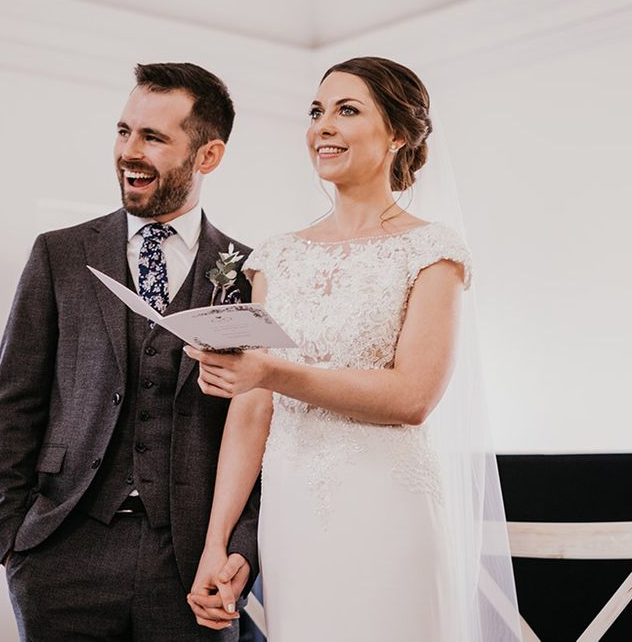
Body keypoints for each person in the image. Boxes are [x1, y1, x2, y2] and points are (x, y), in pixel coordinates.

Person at [185, 57, 521, 640]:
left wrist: (269, 371)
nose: (324, 126)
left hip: (387, 510)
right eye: (316, 112)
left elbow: (412, 396)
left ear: (396, 134)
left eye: (347, 110)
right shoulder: (276, 256)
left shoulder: (432, 252)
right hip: (292, 520)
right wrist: (216, 544)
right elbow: (252, 410)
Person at [0, 62, 260, 641]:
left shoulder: (250, 272)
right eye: (123, 130)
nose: (129, 151)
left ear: (207, 157)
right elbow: (15, 400)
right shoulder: (58, 254)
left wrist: (240, 551)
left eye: (153, 137)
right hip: (61, 550)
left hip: (191, 562)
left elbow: (262, 429)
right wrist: (11, 537)